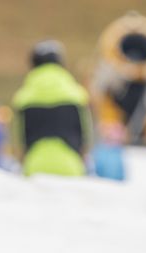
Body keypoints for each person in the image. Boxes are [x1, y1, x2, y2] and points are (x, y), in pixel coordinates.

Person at [12, 40, 92, 177]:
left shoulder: (23, 98)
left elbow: (17, 141)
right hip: (71, 167)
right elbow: (86, 135)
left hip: (35, 168)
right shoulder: (76, 95)